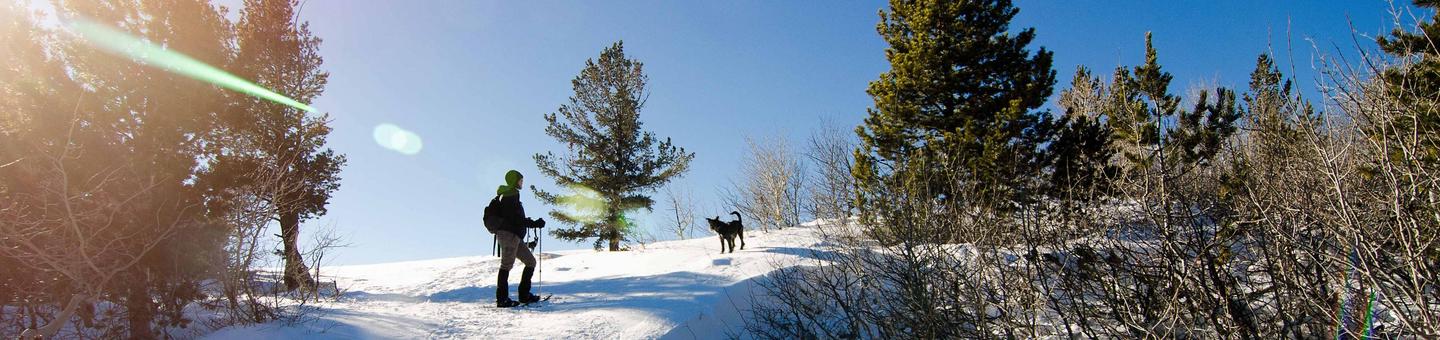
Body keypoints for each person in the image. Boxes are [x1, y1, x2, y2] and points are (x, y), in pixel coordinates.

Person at [494, 170, 545, 307]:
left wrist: (531, 223)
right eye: (520, 180)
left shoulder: (510, 195)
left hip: (514, 236)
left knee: (530, 261)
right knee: (506, 265)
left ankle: (524, 295)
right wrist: (533, 223)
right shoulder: (510, 195)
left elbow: (516, 218)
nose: (522, 183)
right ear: (513, 181)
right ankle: (502, 299)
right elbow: (515, 219)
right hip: (508, 235)